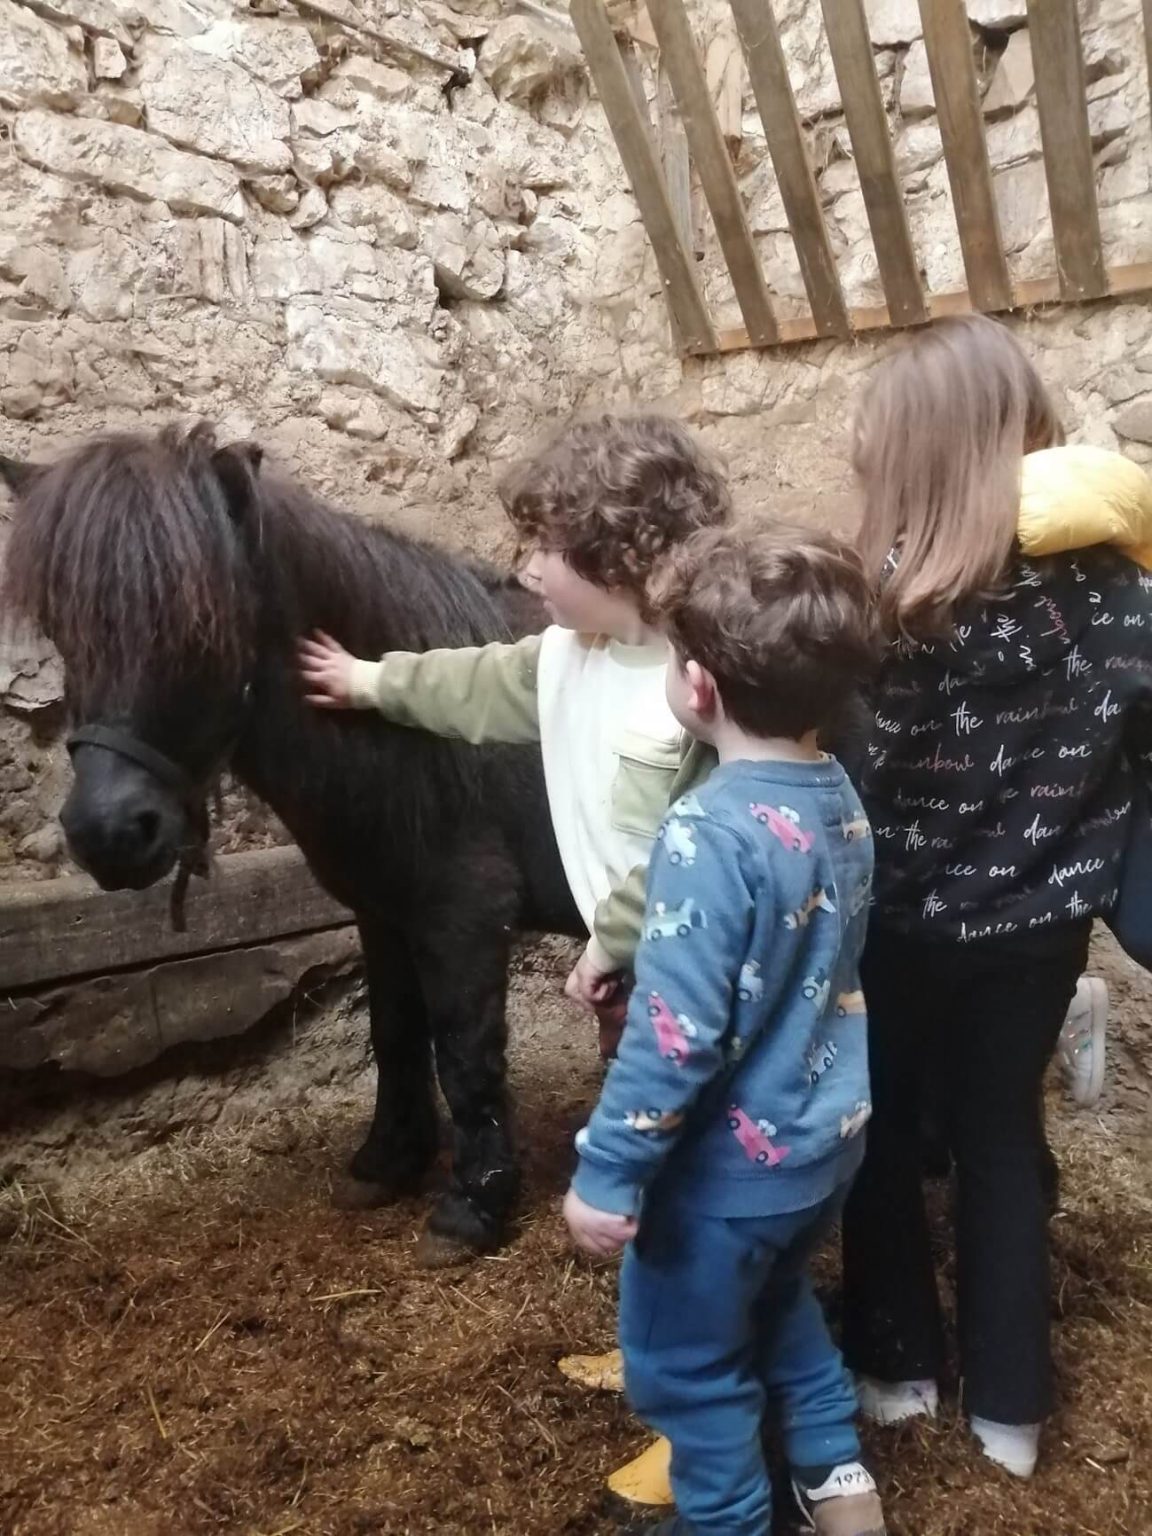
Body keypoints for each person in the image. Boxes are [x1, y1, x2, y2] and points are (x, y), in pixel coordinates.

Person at [840, 314, 1152, 1480]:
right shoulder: (1118, 597)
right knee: (1001, 1139)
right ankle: (1011, 1414)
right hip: (1036, 931)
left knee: (876, 1135)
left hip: (891, 928)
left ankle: (897, 1366)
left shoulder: (870, 606)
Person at [564, 523, 885, 1536]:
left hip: (721, 1183)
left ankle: (731, 1521)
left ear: (697, 686)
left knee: (688, 1374)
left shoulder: (706, 830)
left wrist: (608, 1174)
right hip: (822, 1146)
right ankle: (841, 1486)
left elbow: (675, 1036)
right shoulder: (837, 796)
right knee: (781, 1309)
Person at [296, 413, 730, 1057]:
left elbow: (691, 853)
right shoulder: (567, 658)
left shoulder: (699, 689)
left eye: (544, 549)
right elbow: (473, 683)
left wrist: (610, 945)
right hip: (635, 949)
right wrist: (366, 681)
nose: (525, 572)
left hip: (697, 951)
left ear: (616, 563)